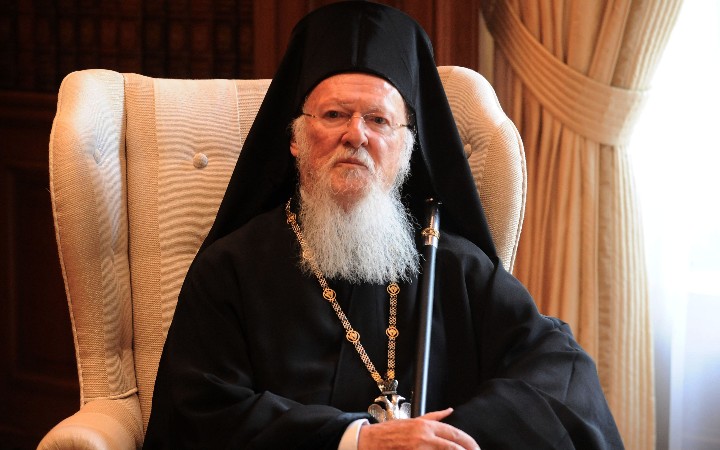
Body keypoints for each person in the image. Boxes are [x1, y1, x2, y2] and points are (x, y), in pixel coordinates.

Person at [143, 2, 624, 449]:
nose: (355, 134)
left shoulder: (453, 264)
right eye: (334, 114)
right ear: (295, 139)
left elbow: (562, 376)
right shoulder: (232, 268)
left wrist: (447, 437)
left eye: (378, 120)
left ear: (406, 149)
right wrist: (356, 440)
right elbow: (198, 413)